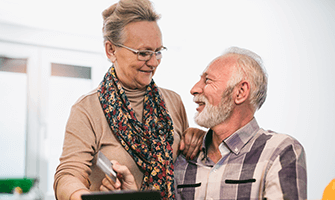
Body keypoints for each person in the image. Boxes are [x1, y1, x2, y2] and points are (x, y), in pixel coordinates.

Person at [53, 1, 204, 200]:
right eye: (143, 53)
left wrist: (198, 140)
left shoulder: (173, 102)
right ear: (111, 50)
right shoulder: (87, 109)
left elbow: (186, 170)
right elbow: (68, 174)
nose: (153, 62)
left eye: (158, 51)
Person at [174, 47, 307, 199]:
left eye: (207, 80)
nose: (194, 89)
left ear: (240, 92)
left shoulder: (279, 151)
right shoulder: (184, 155)